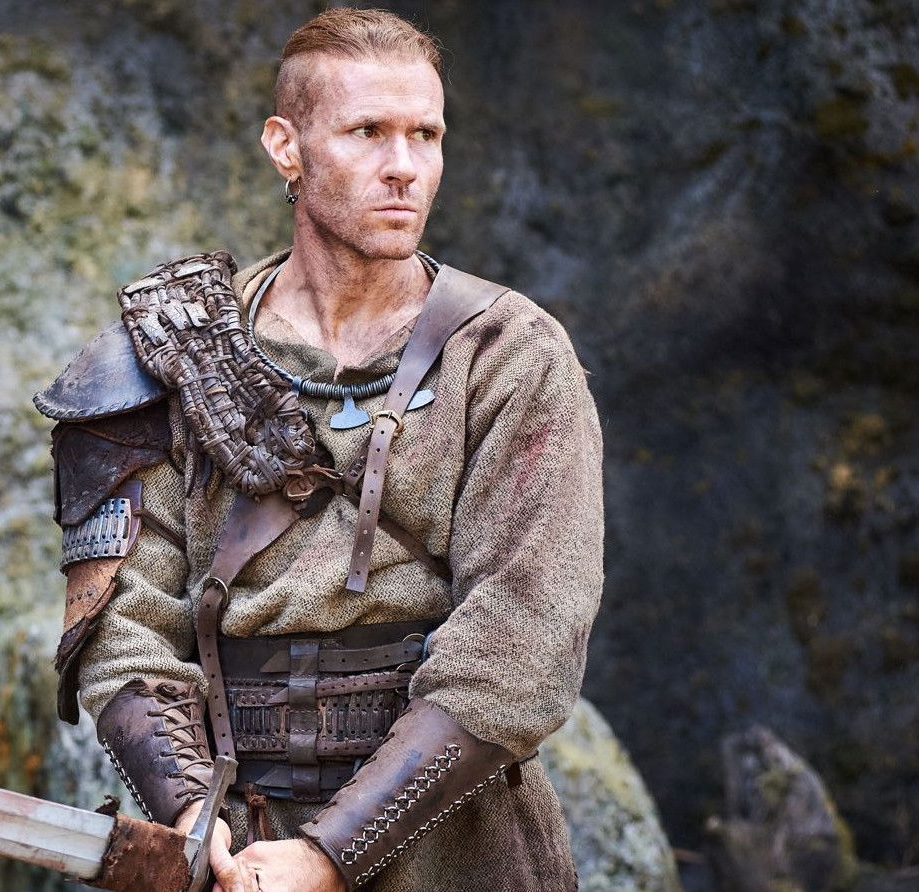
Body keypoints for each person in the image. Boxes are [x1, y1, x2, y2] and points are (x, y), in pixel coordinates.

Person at [34, 9, 602, 891]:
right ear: (285, 147)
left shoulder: (508, 354)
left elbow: (520, 645)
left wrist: (328, 857)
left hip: (455, 849)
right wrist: (192, 824)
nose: (403, 166)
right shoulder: (174, 350)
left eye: (425, 134)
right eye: (366, 131)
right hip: (233, 841)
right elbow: (124, 624)